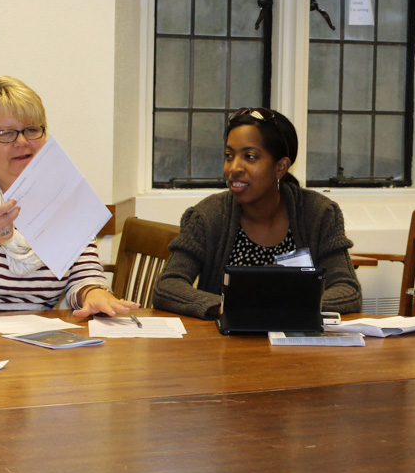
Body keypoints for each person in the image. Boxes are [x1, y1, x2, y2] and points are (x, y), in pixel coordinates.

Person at [0, 76, 136, 316]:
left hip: (31, 339)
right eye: (6, 133)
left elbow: (84, 272)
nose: (22, 142)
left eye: (32, 130)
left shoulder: (63, 196)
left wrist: (94, 293)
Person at [153, 107, 361, 319]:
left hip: (297, 346)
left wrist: (284, 306)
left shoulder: (319, 213)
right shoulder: (207, 216)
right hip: (225, 346)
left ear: (280, 167)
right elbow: (168, 286)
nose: (234, 168)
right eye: (229, 155)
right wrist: (223, 306)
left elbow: (348, 290)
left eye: (249, 157)